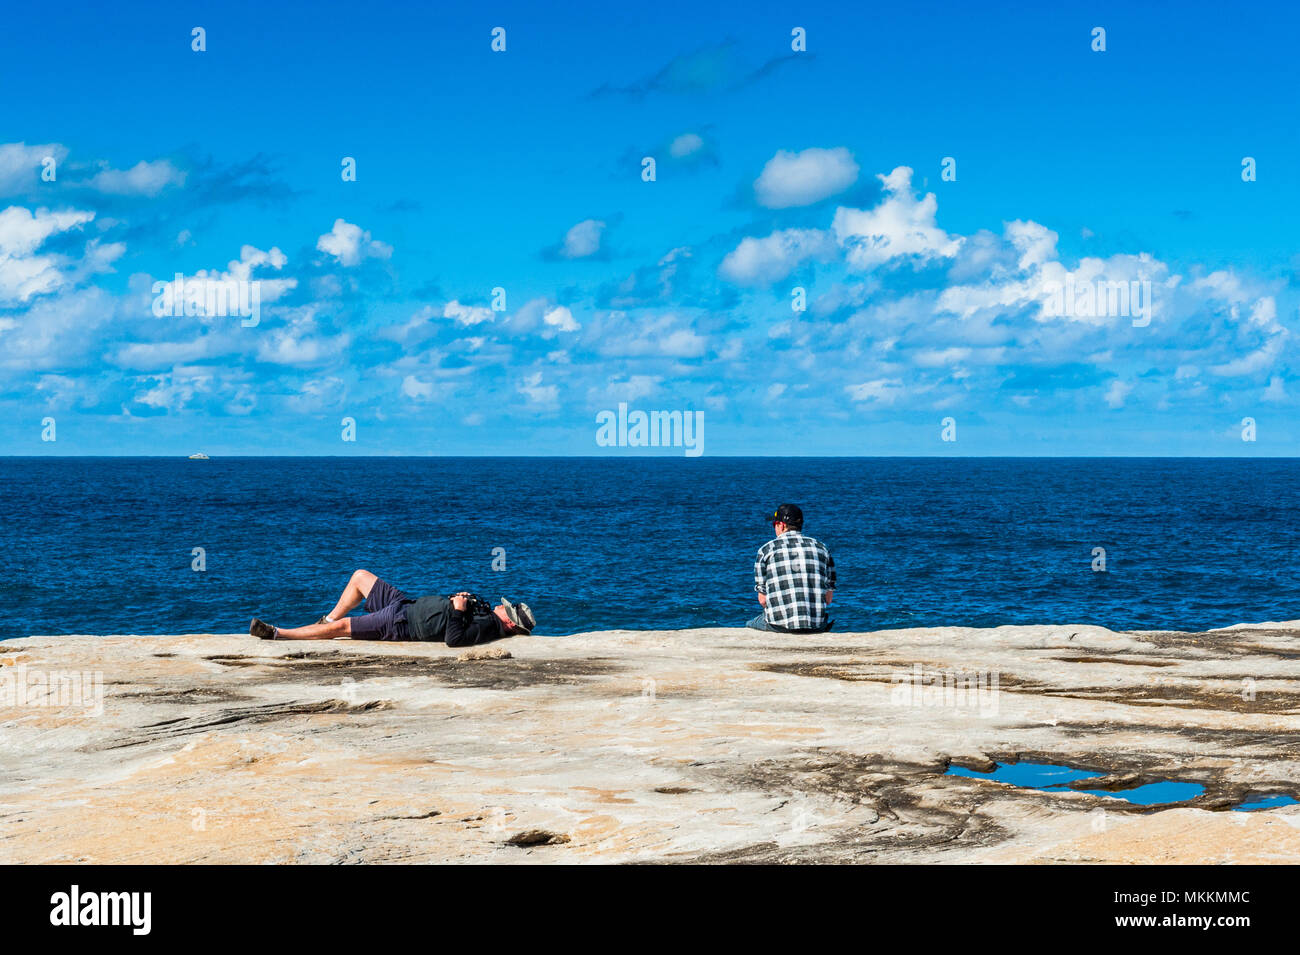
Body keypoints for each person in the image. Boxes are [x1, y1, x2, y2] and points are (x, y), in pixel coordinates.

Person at [249, 569, 535, 646]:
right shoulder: (489, 617)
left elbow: (454, 639)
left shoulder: (488, 628)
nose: (500, 605)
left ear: (510, 623)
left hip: (402, 625)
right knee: (360, 577)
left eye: (504, 609)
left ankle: (278, 634)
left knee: (343, 629)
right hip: (405, 604)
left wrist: (459, 610)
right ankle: (325, 620)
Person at [749, 503, 836, 633]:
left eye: (774, 525)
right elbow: (828, 599)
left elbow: (763, 600)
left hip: (779, 626)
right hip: (816, 625)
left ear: (782, 525)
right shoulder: (822, 548)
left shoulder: (766, 550)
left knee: (750, 623)